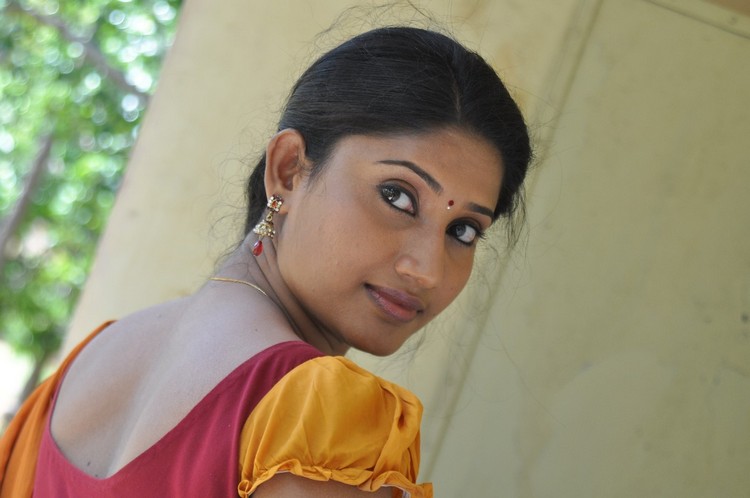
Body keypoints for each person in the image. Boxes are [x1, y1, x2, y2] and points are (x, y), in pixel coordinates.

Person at [0, 26, 531, 497]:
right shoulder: (320, 414)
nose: (427, 269)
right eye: (397, 196)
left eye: (463, 230)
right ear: (288, 169)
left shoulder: (88, 360)